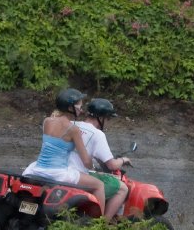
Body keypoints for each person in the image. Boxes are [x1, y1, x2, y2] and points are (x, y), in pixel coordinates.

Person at [23, 88, 106, 216]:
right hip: (58, 173)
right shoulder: (73, 129)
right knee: (99, 185)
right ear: (70, 107)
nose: (81, 109)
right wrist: (93, 166)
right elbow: (85, 161)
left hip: (38, 168)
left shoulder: (47, 121)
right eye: (79, 105)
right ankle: (100, 225)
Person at [68, 97, 131, 220]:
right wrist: (123, 160)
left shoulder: (72, 124)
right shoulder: (98, 135)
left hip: (62, 169)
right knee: (122, 188)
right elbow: (112, 165)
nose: (108, 122)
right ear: (101, 118)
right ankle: (103, 224)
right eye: (108, 118)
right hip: (77, 175)